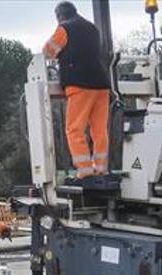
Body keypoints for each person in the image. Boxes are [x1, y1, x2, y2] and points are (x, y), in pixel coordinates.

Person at [43, 1, 111, 180]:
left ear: (59, 16)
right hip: (102, 85)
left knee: (74, 129)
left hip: (80, 86)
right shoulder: (92, 28)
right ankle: (101, 168)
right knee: (99, 129)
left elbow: (48, 51)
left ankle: (85, 170)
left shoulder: (64, 28)